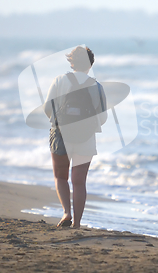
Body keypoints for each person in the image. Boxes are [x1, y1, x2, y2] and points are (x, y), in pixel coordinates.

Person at [44, 46, 107, 228]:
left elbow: (48, 109)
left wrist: (57, 122)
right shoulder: (96, 86)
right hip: (86, 137)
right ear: (90, 64)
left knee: (60, 177)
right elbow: (102, 117)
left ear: (71, 62)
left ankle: (66, 213)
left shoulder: (59, 80)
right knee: (79, 182)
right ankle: (77, 223)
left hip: (61, 133)